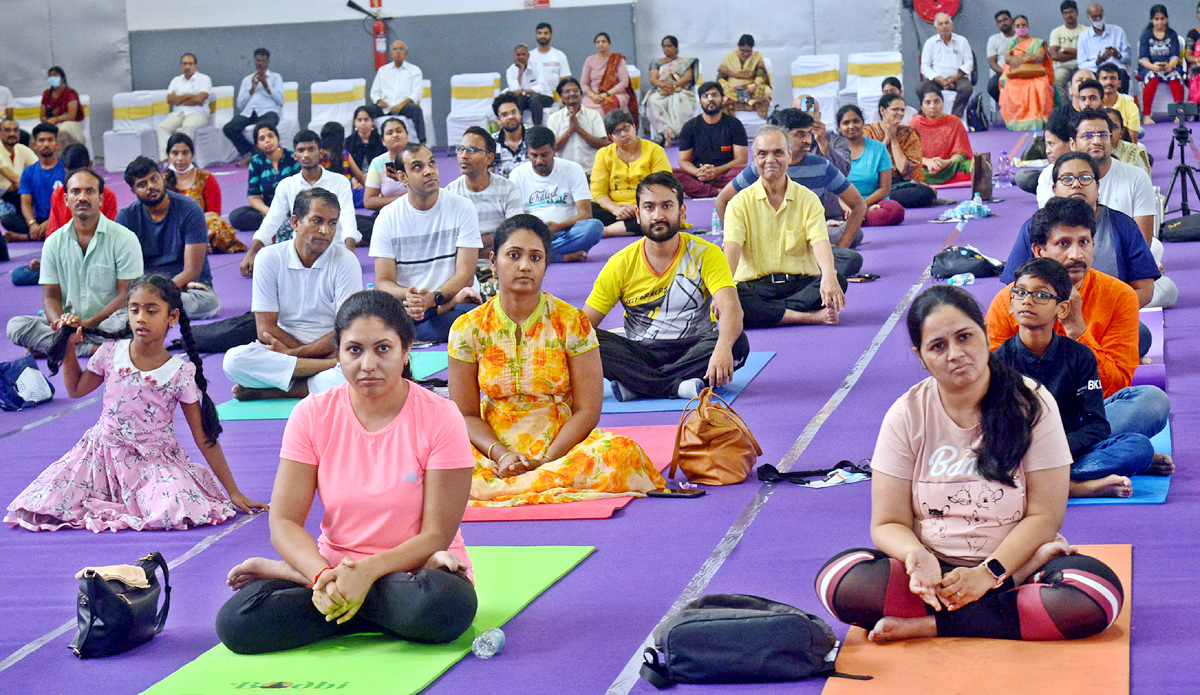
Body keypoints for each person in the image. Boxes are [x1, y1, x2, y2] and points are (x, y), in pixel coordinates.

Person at [816, 284, 1124, 646]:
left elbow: (1045, 516)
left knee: (1095, 596)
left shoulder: (1032, 403)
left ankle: (931, 625)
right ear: (921, 356)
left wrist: (990, 574)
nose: (956, 355)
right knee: (838, 581)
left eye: (965, 337)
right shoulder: (906, 414)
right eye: (938, 346)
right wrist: (916, 557)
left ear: (985, 334)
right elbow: (887, 523)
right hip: (934, 577)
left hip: (1014, 567)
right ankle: (990, 614)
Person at [216, 290, 477, 655]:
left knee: (446, 607)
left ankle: (333, 599)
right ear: (338, 355)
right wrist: (323, 576)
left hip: (417, 573)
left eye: (383, 349)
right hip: (339, 573)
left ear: (406, 351)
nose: (368, 364)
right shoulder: (311, 414)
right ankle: (353, 602)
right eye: (354, 350)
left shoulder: (440, 416)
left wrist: (365, 574)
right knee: (237, 622)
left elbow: (436, 534)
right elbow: (284, 522)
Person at [6, 274, 266, 531]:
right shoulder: (110, 351)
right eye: (134, 310)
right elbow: (75, 389)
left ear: (172, 317)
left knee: (176, 506)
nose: (141, 318)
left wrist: (234, 492)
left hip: (154, 463)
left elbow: (204, 438)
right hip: (100, 456)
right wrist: (70, 346)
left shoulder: (179, 373)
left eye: (152, 311)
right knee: (48, 501)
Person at [449, 215, 665, 503]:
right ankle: (529, 481)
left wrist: (547, 459)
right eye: (514, 255)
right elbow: (465, 414)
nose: (525, 266)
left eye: (535, 257)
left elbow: (587, 410)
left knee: (618, 453)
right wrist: (501, 455)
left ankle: (528, 480)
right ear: (492, 261)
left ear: (545, 264)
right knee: (434, 460)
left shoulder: (571, 321)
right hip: (492, 449)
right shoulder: (467, 327)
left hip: (561, 445)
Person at [986, 197, 1170, 443]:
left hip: (1089, 411)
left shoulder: (1119, 296)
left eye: (1084, 242)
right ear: (1039, 251)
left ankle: (1047, 459)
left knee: (1152, 402)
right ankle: (1082, 463)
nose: (1076, 254)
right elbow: (990, 385)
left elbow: (1115, 386)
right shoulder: (1009, 300)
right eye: (1063, 243)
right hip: (1027, 416)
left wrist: (1076, 328)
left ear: (1094, 244)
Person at [995, 258, 1173, 499]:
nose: (1027, 301)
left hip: (1068, 445)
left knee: (1138, 448)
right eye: (1020, 293)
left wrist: (1058, 450)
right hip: (1022, 454)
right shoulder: (997, 363)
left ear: (1062, 309)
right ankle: (1075, 486)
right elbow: (993, 431)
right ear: (1010, 304)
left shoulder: (1079, 355)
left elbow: (1096, 424)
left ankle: (1049, 480)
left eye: (1041, 295)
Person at [585, 171, 749, 401]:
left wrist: (723, 347)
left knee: (737, 343)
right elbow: (583, 324)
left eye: (667, 206)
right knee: (588, 339)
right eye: (649, 207)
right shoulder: (620, 263)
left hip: (694, 349)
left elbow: (731, 307)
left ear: (681, 212)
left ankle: (639, 385)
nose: (658, 215)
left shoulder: (707, 254)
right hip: (641, 353)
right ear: (638, 214)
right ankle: (676, 387)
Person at [223, 189, 363, 401]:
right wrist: (314, 358)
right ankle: (317, 373)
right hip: (305, 352)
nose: (325, 230)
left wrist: (293, 356)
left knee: (359, 371)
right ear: (295, 222)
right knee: (233, 361)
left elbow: (347, 329)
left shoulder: (346, 260)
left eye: (332, 223)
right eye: (317, 221)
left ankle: (279, 389)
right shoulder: (269, 258)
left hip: (330, 346)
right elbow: (265, 329)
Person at [7, 169, 143, 356]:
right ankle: (91, 349)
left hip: (109, 321)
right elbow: (51, 297)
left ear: (101, 199)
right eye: (75, 191)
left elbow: (126, 296)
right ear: (65, 199)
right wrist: (61, 324)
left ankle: (59, 346)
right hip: (70, 324)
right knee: (16, 326)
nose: (82, 197)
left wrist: (87, 324)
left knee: (132, 321)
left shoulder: (125, 238)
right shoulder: (54, 242)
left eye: (90, 191)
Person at [723, 126, 847, 329]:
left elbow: (820, 242)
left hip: (798, 284)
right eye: (763, 154)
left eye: (778, 152)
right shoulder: (739, 204)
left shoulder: (808, 199)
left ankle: (768, 313)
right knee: (734, 297)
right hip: (756, 288)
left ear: (789, 156)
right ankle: (808, 317)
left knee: (838, 280)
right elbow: (731, 252)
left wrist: (828, 275)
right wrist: (723, 292)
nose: (770, 160)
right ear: (754, 159)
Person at [1005, 153, 1163, 309]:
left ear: (1098, 186)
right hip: (1047, 321)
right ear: (1054, 189)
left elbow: (1145, 289)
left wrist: (1106, 317)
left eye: (1085, 178)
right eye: (1067, 179)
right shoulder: (1034, 227)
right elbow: (1011, 289)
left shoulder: (1123, 225)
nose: (1076, 184)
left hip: (1108, 316)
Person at [716, 108, 872, 258]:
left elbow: (858, 204)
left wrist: (841, 250)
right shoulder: (762, 166)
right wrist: (735, 242)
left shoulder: (821, 166)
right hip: (767, 240)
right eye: (800, 134)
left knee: (852, 246)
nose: (807, 140)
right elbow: (722, 200)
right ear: (781, 136)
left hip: (807, 239)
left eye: (809, 133)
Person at [370, 144, 483, 344]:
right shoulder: (387, 217)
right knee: (373, 317)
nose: (429, 171)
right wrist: (411, 296)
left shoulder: (462, 207)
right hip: (410, 307)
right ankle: (428, 320)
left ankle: (411, 331)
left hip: (450, 301)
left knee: (470, 319)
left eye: (431, 163)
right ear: (402, 178)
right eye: (417, 167)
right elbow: (383, 282)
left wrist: (435, 298)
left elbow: (465, 275)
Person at [241, 130, 360, 277]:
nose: (306, 155)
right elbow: (272, 220)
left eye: (311, 149)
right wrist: (251, 253)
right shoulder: (287, 185)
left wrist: (350, 250)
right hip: (301, 255)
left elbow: (348, 216)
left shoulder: (339, 181)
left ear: (320, 153)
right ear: (295, 155)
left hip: (334, 249)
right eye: (301, 150)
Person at [117, 156, 220, 320]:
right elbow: (123, 270)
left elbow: (192, 271)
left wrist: (157, 293)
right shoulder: (126, 217)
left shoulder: (190, 209)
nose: (151, 186)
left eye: (154, 179)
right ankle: (153, 310)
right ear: (133, 191)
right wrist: (145, 292)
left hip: (186, 288)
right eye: (142, 184)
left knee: (209, 302)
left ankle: (148, 311)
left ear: (162, 177)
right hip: (145, 289)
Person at [1036, 109, 1156, 244]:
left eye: (1103, 135)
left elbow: (1142, 242)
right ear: (1072, 144)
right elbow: (1048, 236)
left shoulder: (1137, 178)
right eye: (1088, 136)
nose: (1097, 141)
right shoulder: (1050, 176)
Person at [509, 126, 603, 263]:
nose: (539, 161)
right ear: (527, 152)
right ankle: (561, 256)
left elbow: (586, 214)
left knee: (595, 227)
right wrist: (539, 230)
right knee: (514, 236)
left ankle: (539, 256)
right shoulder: (517, 175)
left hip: (567, 233)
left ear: (554, 150)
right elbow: (515, 219)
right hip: (533, 235)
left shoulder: (573, 170)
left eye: (544, 155)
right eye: (534, 155)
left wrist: (559, 226)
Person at [591, 109, 672, 237]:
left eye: (626, 128)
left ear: (634, 127)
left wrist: (637, 207)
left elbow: (663, 187)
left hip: (646, 207)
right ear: (610, 137)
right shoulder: (603, 154)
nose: (623, 134)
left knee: (659, 215)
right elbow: (597, 192)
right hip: (614, 210)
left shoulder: (655, 151)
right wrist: (615, 209)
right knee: (586, 209)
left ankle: (605, 231)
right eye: (617, 132)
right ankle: (620, 228)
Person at [445, 126, 524, 257]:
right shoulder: (450, 193)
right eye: (460, 149)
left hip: (501, 262)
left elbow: (515, 233)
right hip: (462, 265)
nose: (464, 156)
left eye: (472, 150)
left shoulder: (508, 189)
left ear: (489, 158)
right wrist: (494, 238)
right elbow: (449, 240)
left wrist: (474, 245)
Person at [163, 133, 246, 254]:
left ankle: (190, 245)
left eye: (185, 153)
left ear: (192, 155)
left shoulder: (205, 178)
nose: (180, 158)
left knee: (217, 225)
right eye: (175, 153)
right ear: (168, 156)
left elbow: (215, 213)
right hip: (172, 227)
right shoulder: (161, 181)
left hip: (199, 225)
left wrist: (190, 220)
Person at [672, 82, 748, 198]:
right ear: (700, 101)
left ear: (722, 98)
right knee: (671, 174)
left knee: (748, 171)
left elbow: (741, 159)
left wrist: (716, 171)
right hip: (698, 176)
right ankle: (719, 192)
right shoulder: (690, 126)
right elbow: (683, 161)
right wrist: (698, 172)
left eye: (714, 95)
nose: (710, 99)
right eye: (706, 96)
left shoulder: (734, 124)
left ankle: (700, 191)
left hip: (725, 174)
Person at [835, 105, 905, 227]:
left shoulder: (879, 148)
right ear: (839, 128)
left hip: (874, 201)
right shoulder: (834, 151)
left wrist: (861, 205)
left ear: (863, 123)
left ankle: (854, 219)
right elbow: (832, 191)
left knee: (895, 210)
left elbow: (885, 189)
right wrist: (848, 208)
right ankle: (859, 216)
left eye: (856, 121)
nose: (851, 126)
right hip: (843, 205)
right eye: (846, 123)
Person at [864, 94, 937, 208]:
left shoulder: (909, 133)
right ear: (882, 110)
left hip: (899, 185)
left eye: (902, 110)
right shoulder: (868, 132)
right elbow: (867, 166)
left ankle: (879, 201)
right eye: (895, 109)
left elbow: (903, 169)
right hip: (875, 185)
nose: (900, 113)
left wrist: (893, 139)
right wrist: (885, 141)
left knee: (925, 192)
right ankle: (878, 199)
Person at [229, 122, 300, 232]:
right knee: (236, 216)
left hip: (294, 206)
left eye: (270, 136)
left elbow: (302, 188)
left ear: (277, 138)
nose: (267, 140)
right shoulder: (256, 162)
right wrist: (270, 212)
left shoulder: (293, 157)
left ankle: (285, 221)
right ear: (257, 144)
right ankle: (281, 222)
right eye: (262, 139)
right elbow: (254, 197)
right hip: (270, 208)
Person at [5, 123, 63, 243]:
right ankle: (39, 233)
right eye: (41, 140)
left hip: (61, 217)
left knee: (76, 221)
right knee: (7, 219)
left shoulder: (66, 168)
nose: (46, 144)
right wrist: (32, 224)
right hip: (39, 220)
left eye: (50, 140)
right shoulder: (28, 172)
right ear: (35, 145)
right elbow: (25, 203)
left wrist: (51, 221)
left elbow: (70, 204)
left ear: (57, 144)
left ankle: (26, 237)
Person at [225, 48, 284, 165]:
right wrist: (252, 88)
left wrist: (266, 85)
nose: (260, 64)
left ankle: (257, 157)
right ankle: (251, 153)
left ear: (268, 62)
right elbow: (240, 105)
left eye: (263, 61)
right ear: (254, 62)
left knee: (262, 129)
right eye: (258, 61)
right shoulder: (247, 80)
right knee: (228, 128)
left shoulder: (276, 77)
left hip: (269, 112)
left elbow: (280, 100)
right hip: (249, 112)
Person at [999, 16, 1057, 131]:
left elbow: (1040, 57)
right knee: (1011, 87)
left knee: (1042, 86)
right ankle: (1018, 122)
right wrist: (1028, 57)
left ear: (1028, 27)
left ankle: (1040, 120)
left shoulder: (1037, 42)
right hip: (1017, 75)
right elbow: (1008, 59)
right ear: (1014, 28)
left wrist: (1022, 59)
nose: (1021, 28)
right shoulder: (1012, 44)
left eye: (1023, 25)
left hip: (1036, 74)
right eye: (1018, 26)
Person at [910, 86, 973, 185]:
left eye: (936, 101)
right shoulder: (916, 123)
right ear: (922, 106)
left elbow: (962, 153)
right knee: (910, 172)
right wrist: (928, 162)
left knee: (972, 168)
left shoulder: (954, 121)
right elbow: (910, 154)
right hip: (925, 167)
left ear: (943, 104)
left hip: (950, 165)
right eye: (928, 102)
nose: (932, 106)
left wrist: (946, 163)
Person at [918, 13, 974, 120]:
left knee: (966, 88)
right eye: (940, 24)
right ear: (936, 29)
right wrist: (939, 80)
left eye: (947, 23)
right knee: (921, 88)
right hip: (936, 80)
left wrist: (954, 78)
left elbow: (969, 63)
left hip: (958, 78)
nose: (944, 26)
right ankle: (928, 117)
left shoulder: (962, 41)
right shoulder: (930, 43)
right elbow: (925, 67)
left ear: (951, 26)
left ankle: (954, 118)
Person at [644, 36, 698, 147]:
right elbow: (653, 79)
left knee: (679, 101)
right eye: (664, 46)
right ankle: (666, 132)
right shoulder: (656, 62)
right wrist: (664, 85)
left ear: (676, 48)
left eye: (669, 46)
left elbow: (688, 77)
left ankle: (679, 132)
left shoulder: (684, 62)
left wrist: (673, 85)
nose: (666, 49)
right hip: (661, 90)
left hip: (679, 90)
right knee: (653, 101)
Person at [156, 54, 211, 161]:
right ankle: (168, 160)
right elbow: (170, 100)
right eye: (184, 64)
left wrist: (179, 99)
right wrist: (189, 96)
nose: (187, 67)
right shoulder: (175, 80)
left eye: (190, 64)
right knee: (162, 127)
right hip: (178, 113)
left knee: (189, 126)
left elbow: (199, 99)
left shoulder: (204, 79)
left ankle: (185, 159)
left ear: (196, 66)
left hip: (198, 113)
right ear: (181, 66)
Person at [370, 40, 426, 145]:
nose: (398, 52)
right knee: (366, 111)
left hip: (405, 107)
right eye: (395, 49)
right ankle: (371, 143)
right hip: (385, 107)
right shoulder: (383, 70)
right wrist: (379, 101)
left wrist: (402, 104)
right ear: (390, 53)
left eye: (401, 49)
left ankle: (422, 143)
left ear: (406, 53)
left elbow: (417, 93)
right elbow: (374, 92)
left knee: (416, 110)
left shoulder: (414, 70)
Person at [547, 77, 608, 172]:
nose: (572, 94)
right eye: (567, 91)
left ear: (580, 94)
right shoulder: (554, 118)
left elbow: (602, 144)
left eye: (575, 90)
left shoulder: (593, 115)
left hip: (591, 171)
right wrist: (570, 130)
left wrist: (579, 130)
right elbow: (552, 148)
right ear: (561, 96)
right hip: (564, 172)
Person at [1138, 5, 1185, 124]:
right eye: (1157, 19)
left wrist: (1170, 65)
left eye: (1162, 19)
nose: (1160, 22)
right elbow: (1143, 58)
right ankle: (1147, 116)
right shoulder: (1146, 35)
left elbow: (1176, 56)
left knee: (1176, 78)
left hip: (1169, 67)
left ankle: (1179, 114)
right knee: (1151, 78)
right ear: (1152, 20)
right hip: (1151, 67)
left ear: (1167, 19)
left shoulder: (1172, 34)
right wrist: (1153, 67)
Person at [581, 32, 634, 120]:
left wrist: (606, 94)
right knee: (585, 106)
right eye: (598, 42)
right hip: (594, 96)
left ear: (609, 43)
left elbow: (624, 82)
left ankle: (608, 132)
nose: (600, 44)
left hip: (615, 94)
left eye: (603, 41)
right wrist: (594, 96)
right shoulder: (590, 60)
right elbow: (584, 84)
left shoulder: (617, 60)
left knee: (606, 106)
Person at [717, 34, 772, 119]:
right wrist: (730, 85)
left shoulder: (757, 56)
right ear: (738, 47)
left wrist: (754, 85)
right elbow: (720, 78)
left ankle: (750, 101)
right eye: (742, 51)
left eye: (748, 51)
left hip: (750, 87)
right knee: (721, 89)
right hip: (732, 87)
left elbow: (761, 74)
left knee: (767, 91)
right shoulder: (729, 57)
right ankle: (740, 101)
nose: (745, 54)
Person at [363, 118, 409, 211]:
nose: (395, 135)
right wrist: (405, 200)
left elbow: (429, 191)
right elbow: (368, 201)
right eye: (389, 133)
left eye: (399, 131)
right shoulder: (377, 163)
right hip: (389, 213)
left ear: (407, 136)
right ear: (383, 141)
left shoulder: (418, 158)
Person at [318, 121, 367, 210]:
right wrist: (371, 190)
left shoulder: (319, 153)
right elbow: (359, 175)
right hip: (345, 191)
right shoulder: (344, 153)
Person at [0, 118, 36, 234]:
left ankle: (35, 228)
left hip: (17, 193)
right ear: (0, 133)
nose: (12, 134)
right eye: (7, 130)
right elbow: (13, 178)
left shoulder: (22, 149)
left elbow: (39, 171)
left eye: (15, 130)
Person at [506, 43, 554, 126]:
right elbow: (515, 91)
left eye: (523, 54)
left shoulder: (538, 66)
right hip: (525, 98)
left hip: (544, 97)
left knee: (534, 97)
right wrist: (520, 71)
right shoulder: (510, 71)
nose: (521, 57)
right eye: (518, 55)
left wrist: (524, 91)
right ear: (515, 56)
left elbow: (541, 87)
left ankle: (538, 128)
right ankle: (518, 127)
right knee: (519, 99)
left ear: (528, 55)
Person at [1077, 3, 1132, 75]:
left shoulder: (1118, 31)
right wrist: (1097, 62)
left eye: (1100, 15)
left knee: (1123, 77)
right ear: (1089, 18)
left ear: (1103, 14)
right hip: (1095, 70)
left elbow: (1128, 56)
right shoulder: (1083, 37)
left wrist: (1117, 55)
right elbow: (1081, 64)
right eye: (1094, 16)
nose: (1098, 19)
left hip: (1116, 69)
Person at [39, 67, 85, 149]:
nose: (52, 78)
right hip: (51, 123)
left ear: (62, 79)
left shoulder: (70, 93)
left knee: (62, 131)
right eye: (50, 76)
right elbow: (42, 116)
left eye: (55, 76)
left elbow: (72, 115)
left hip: (70, 122)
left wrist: (57, 119)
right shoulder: (46, 94)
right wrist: (47, 122)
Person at [1050, 1, 1086, 97]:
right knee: (1056, 82)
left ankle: (1082, 108)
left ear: (1077, 12)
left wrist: (1066, 50)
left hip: (1082, 65)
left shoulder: (1086, 31)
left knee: (1086, 83)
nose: (1069, 15)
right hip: (1063, 67)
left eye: (1071, 12)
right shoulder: (1056, 32)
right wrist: (1078, 53)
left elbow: (1089, 53)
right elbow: (1054, 55)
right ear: (1062, 15)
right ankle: (1065, 109)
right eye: (1066, 13)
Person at [1097, 64, 1140, 142]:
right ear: (1098, 83)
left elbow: (1132, 142)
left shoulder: (1131, 106)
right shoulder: (1093, 105)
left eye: (1113, 78)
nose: (1109, 82)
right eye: (1104, 78)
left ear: (1119, 83)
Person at [1104, 107, 1151, 176]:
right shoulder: (1091, 151)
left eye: (1114, 127)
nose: (1110, 132)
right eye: (1105, 127)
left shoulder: (1133, 152)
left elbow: (1143, 182)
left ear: (1121, 132)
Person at [491, 92, 527, 178]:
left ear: (520, 113)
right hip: (506, 189)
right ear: (499, 119)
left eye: (514, 112)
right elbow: (488, 174)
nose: (510, 117)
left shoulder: (534, 135)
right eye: (504, 114)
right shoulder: (492, 141)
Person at [528, 23, 572, 92]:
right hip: (533, 94)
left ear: (551, 36)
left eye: (546, 33)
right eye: (540, 33)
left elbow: (565, 78)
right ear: (536, 36)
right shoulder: (529, 56)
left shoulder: (560, 55)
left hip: (555, 94)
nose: (542, 36)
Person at [987, 10, 1017, 104]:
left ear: (1011, 20)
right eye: (1000, 21)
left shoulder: (1020, 36)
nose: (1003, 23)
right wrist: (1005, 73)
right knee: (992, 86)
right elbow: (992, 63)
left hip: (1021, 70)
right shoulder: (993, 39)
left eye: (1005, 19)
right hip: (1002, 72)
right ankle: (1006, 107)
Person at [346, 106, 386, 174]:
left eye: (366, 119)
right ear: (354, 122)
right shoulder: (348, 141)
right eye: (359, 120)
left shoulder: (381, 140)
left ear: (372, 121)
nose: (363, 123)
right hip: (356, 180)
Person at [1186, 4, 1200, 104]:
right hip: (1197, 66)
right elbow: (1188, 56)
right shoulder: (1193, 34)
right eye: (1199, 12)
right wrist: (1197, 60)